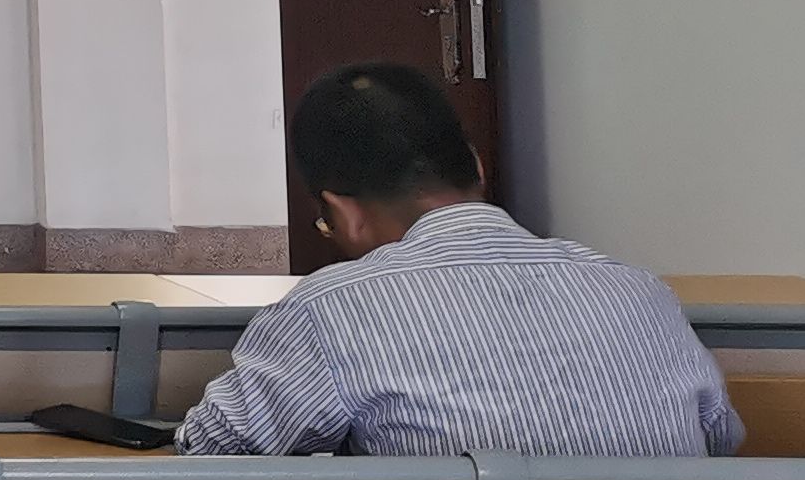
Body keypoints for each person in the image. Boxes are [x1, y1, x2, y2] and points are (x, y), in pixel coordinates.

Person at [180, 64, 736, 458]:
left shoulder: (331, 307)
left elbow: (215, 451)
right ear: (475, 165)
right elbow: (718, 438)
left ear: (345, 215)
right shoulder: (636, 289)